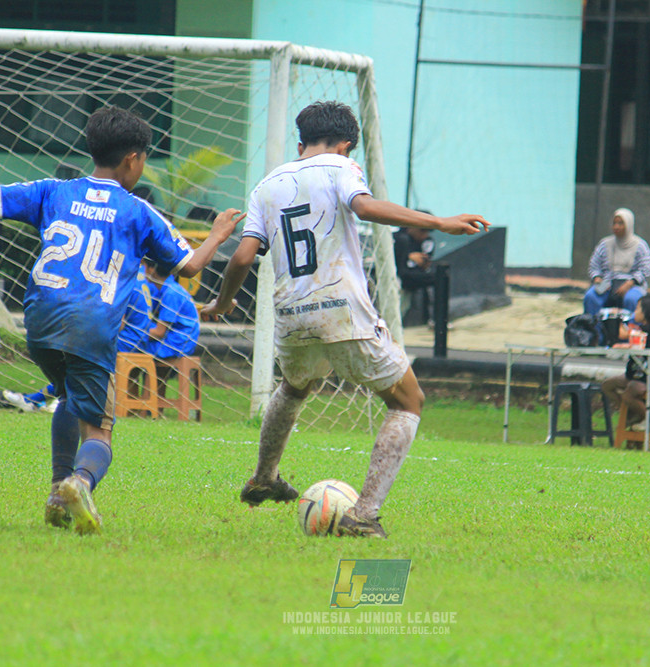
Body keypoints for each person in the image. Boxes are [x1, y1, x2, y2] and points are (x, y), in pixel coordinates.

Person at [0, 105, 245, 535]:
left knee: (68, 396)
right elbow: (188, 267)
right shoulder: (139, 212)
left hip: (39, 318)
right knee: (100, 429)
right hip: (92, 323)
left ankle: (56, 490)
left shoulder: (54, 190)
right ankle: (79, 482)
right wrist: (219, 234)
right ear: (133, 160)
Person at [200, 101, 490, 538]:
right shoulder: (341, 168)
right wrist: (439, 222)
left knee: (295, 387)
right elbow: (366, 208)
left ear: (300, 144)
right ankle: (363, 514)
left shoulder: (266, 185)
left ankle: (264, 477)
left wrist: (222, 304)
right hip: (341, 308)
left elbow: (243, 255)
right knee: (407, 401)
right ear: (346, 146)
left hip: (290, 315)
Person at [601, 294, 650, 429]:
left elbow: (625, 335)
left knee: (629, 394)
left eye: (637, 309)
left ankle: (647, 417)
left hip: (644, 377)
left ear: (647, 312)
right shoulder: (640, 330)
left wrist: (618, 319)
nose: (634, 312)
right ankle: (629, 413)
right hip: (631, 374)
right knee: (607, 385)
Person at [583, 207, 650, 315]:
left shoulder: (640, 246)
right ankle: (594, 329)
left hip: (632, 285)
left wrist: (629, 283)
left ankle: (630, 328)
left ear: (628, 225)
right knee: (590, 296)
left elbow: (645, 269)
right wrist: (597, 279)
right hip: (607, 283)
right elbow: (594, 265)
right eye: (614, 223)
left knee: (632, 299)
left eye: (621, 223)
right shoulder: (604, 244)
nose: (616, 227)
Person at [143, 258, 200, 360]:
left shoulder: (171, 293)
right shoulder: (160, 289)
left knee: (130, 344)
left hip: (177, 343)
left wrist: (133, 332)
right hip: (171, 338)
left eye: (144, 266)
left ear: (151, 270)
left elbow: (159, 333)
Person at [392, 224, 435, 325]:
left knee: (438, 278)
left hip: (413, 277)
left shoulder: (427, 241)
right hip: (399, 279)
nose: (424, 235)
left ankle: (431, 319)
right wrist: (409, 256)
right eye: (422, 231)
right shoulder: (400, 238)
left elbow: (426, 262)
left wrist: (423, 261)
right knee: (398, 308)